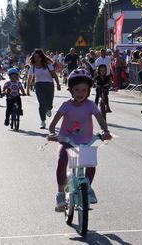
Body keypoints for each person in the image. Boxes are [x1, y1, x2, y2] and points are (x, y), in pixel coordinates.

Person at [48, 68, 112, 211]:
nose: (80, 93)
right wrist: (52, 133)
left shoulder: (90, 105)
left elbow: (101, 120)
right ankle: (60, 193)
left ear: (89, 91)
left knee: (90, 163)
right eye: (76, 90)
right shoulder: (66, 105)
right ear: (71, 90)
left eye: (84, 90)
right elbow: (53, 123)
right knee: (62, 158)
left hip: (86, 141)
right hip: (67, 140)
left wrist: (105, 131)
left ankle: (87, 187)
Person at [27, 49, 61, 129]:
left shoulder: (48, 64)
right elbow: (30, 78)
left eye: (38, 57)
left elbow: (54, 74)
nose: (37, 58)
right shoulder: (33, 67)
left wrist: (58, 84)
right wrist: (27, 89)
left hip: (49, 85)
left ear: (42, 57)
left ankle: (48, 109)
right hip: (39, 85)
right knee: (42, 103)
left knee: (49, 104)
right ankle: (43, 121)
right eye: (35, 57)